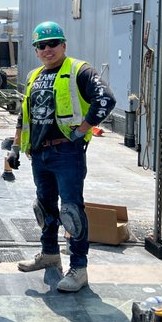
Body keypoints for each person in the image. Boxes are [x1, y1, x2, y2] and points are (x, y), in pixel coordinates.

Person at [12, 22, 116, 292]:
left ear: (64, 45)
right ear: (36, 50)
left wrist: (83, 130)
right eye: (42, 46)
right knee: (45, 207)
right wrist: (15, 146)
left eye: (53, 44)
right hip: (39, 153)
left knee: (71, 211)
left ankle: (79, 269)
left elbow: (106, 98)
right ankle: (49, 254)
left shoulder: (79, 70)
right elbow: (24, 114)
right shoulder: (34, 75)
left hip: (66, 152)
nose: (48, 50)